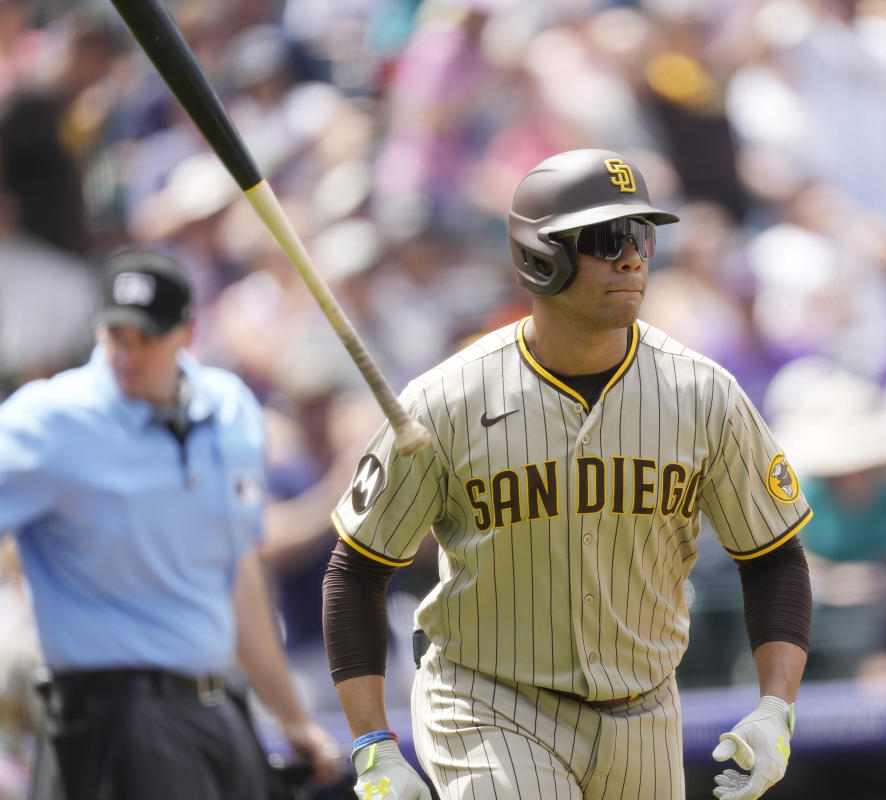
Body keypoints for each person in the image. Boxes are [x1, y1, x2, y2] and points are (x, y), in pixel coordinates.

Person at [323, 149, 815, 800]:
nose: (633, 257)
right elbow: (356, 568)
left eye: (642, 236)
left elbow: (774, 554)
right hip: (490, 703)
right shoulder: (444, 402)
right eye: (608, 238)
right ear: (539, 254)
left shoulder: (704, 395)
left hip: (644, 710)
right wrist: (370, 743)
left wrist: (775, 706)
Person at [0, 250, 342, 800]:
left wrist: (291, 716)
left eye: (147, 336)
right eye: (117, 334)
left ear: (188, 331)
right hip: (111, 717)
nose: (127, 352)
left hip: (218, 704)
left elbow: (238, 573)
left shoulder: (231, 410)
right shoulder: (49, 421)